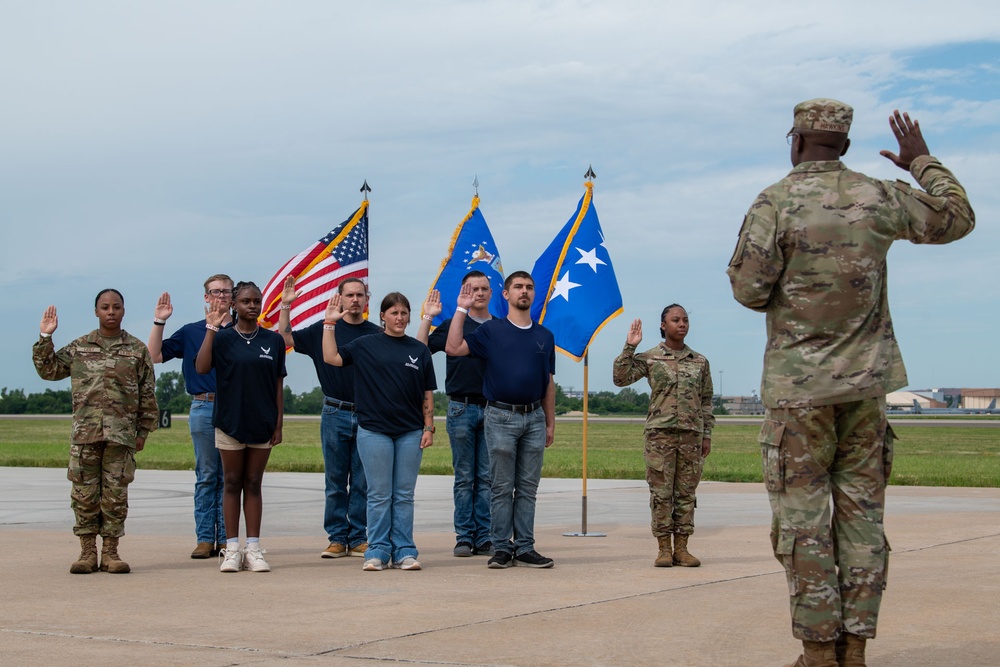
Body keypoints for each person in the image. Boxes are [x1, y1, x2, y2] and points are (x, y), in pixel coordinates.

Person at [727, 101, 975, 667]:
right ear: (843, 144)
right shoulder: (880, 196)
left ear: (796, 141)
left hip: (799, 393)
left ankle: (818, 652)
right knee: (862, 519)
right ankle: (854, 648)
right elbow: (958, 218)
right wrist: (923, 162)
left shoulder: (776, 201)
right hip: (866, 390)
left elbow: (749, 290)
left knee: (804, 523)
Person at [33, 289, 159, 574]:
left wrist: (143, 432)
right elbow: (49, 370)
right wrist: (45, 337)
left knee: (115, 496)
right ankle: (87, 552)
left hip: (121, 436)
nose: (111, 312)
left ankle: (111, 553)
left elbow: (148, 394)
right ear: (96, 311)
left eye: (116, 307)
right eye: (105, 307)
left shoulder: (137, 350)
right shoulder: (80, 346)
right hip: (85, 435)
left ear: (123, 311)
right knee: (84, 495)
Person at [445, 271, 556, 569]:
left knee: (528, 487)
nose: (524, 291)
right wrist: (461, 308)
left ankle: (525, 547)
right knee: (501, 486)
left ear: (534, 295)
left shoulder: (544, 336)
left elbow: (548, 382)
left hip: (533, 416)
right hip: (500, 415)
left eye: (529, 287)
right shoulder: (492, 331)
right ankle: (501, 547)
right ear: (505, 294)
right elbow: (454, 348)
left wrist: (549, 422)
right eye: (518, 287)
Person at [322, 291, 436, 571]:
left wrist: (429, 427)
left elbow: (427, 392)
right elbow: (332, 357)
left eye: (404, 313)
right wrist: (329, 324)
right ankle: (377, 550)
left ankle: (405, 550)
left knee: (404, 494)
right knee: (378, 494)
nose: (399, 318)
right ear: (382, 316)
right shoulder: (365, 345)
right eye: (394, 312)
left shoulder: (418, 350)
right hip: (374, 430)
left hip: (409, 432)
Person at [278, 275, 380, 560]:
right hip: (334, 411)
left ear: (367, 299)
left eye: (360, 295)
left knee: (362, 480)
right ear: (339, 297)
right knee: (335, 479)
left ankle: (358, 536)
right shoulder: (323, 330)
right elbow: (285, 337)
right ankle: (337, 538)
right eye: (350, 295)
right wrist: (286, 306)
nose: (355, 300)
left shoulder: (375, 333)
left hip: (366, 413)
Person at [612, 305, 714, 568]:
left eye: (685, 320)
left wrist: (707, 435)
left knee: (686, 494)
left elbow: (706, 401)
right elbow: (620, 378)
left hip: (691, 437)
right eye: (675, 320)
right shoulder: (651, 358)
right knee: (661, 493)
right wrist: (630, 347)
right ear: (663, 325)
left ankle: (682, 548)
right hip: (660, 436)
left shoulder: (700, 361)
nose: (682, 324)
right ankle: (663, 549)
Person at [195, 281, 286, 573]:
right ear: (234, 305)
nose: (252, 306)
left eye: (256, 301)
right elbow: (201, 367)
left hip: (262, 421)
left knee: (254, 484)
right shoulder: (223, 338)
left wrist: (278, 424)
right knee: (232, 482)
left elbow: (278, 385)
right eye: (246, 301)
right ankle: (232, 548)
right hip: (229, 421)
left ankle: (254, 549)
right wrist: (211, 329)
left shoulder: (272, 341)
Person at [147, 274, 233, 559]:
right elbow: (154, 355)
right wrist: (160, 321)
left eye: (226, 292)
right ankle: (206, 538)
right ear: (206, 297)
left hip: (234, 408)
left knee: (230, 477)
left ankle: (227, 538)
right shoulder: (191, 332)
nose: (221, 296)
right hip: (203, 405)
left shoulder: (243, 330)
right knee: (207, 474)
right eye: (215, 292)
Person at [417, 271, 495, 558]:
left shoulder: (499, 327)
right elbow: (420, 349)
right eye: (473, 288)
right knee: (464, 476)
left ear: (492, 292)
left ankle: (484, 536)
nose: (479, 293)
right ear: (465, 292)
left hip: (492, 408)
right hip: (460, 407)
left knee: (487, 477)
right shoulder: (454, 325)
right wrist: (428, 317)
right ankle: (464, 537)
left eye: (484, 288)